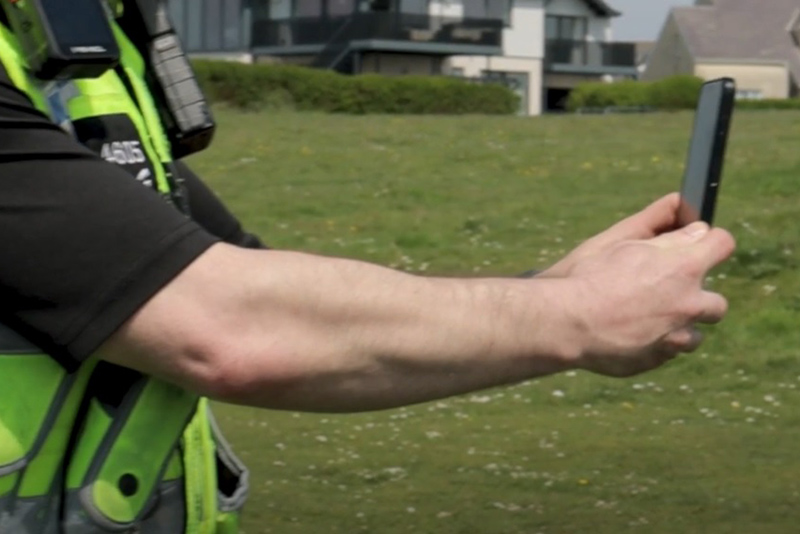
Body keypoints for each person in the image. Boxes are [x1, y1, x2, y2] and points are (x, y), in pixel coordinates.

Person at [0, 1, 736, 533]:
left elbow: (251, 286)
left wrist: (557, 291)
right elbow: (230, 326)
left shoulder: (73, 58)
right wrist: (576, 317)